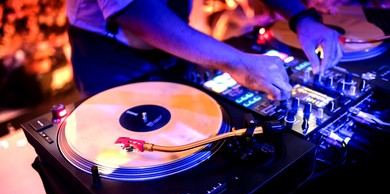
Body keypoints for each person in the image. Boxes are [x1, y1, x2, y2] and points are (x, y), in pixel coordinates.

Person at [66, 0, 343, 101]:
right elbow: (137, 13)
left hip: (172, 42)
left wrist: (301, 18)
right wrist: (237, 63)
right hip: (109, 59)